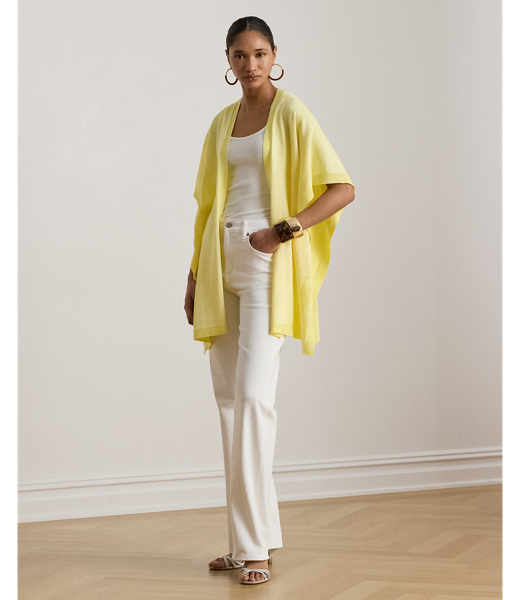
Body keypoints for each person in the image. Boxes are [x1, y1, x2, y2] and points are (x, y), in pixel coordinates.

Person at [184, 16, 355, 585]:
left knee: (255, 400)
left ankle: (256, 547)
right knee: (229, 403)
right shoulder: (221, 123)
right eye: (240, 54)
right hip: (219, 262)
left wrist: (283, 231)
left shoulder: (292, 113)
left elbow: (342, 188)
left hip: (264, 264)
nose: (250, 64)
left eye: (259, 53)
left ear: (274, 55)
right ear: (228, 61)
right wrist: (194, 276)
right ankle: (244, 542)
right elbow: (205, 206)